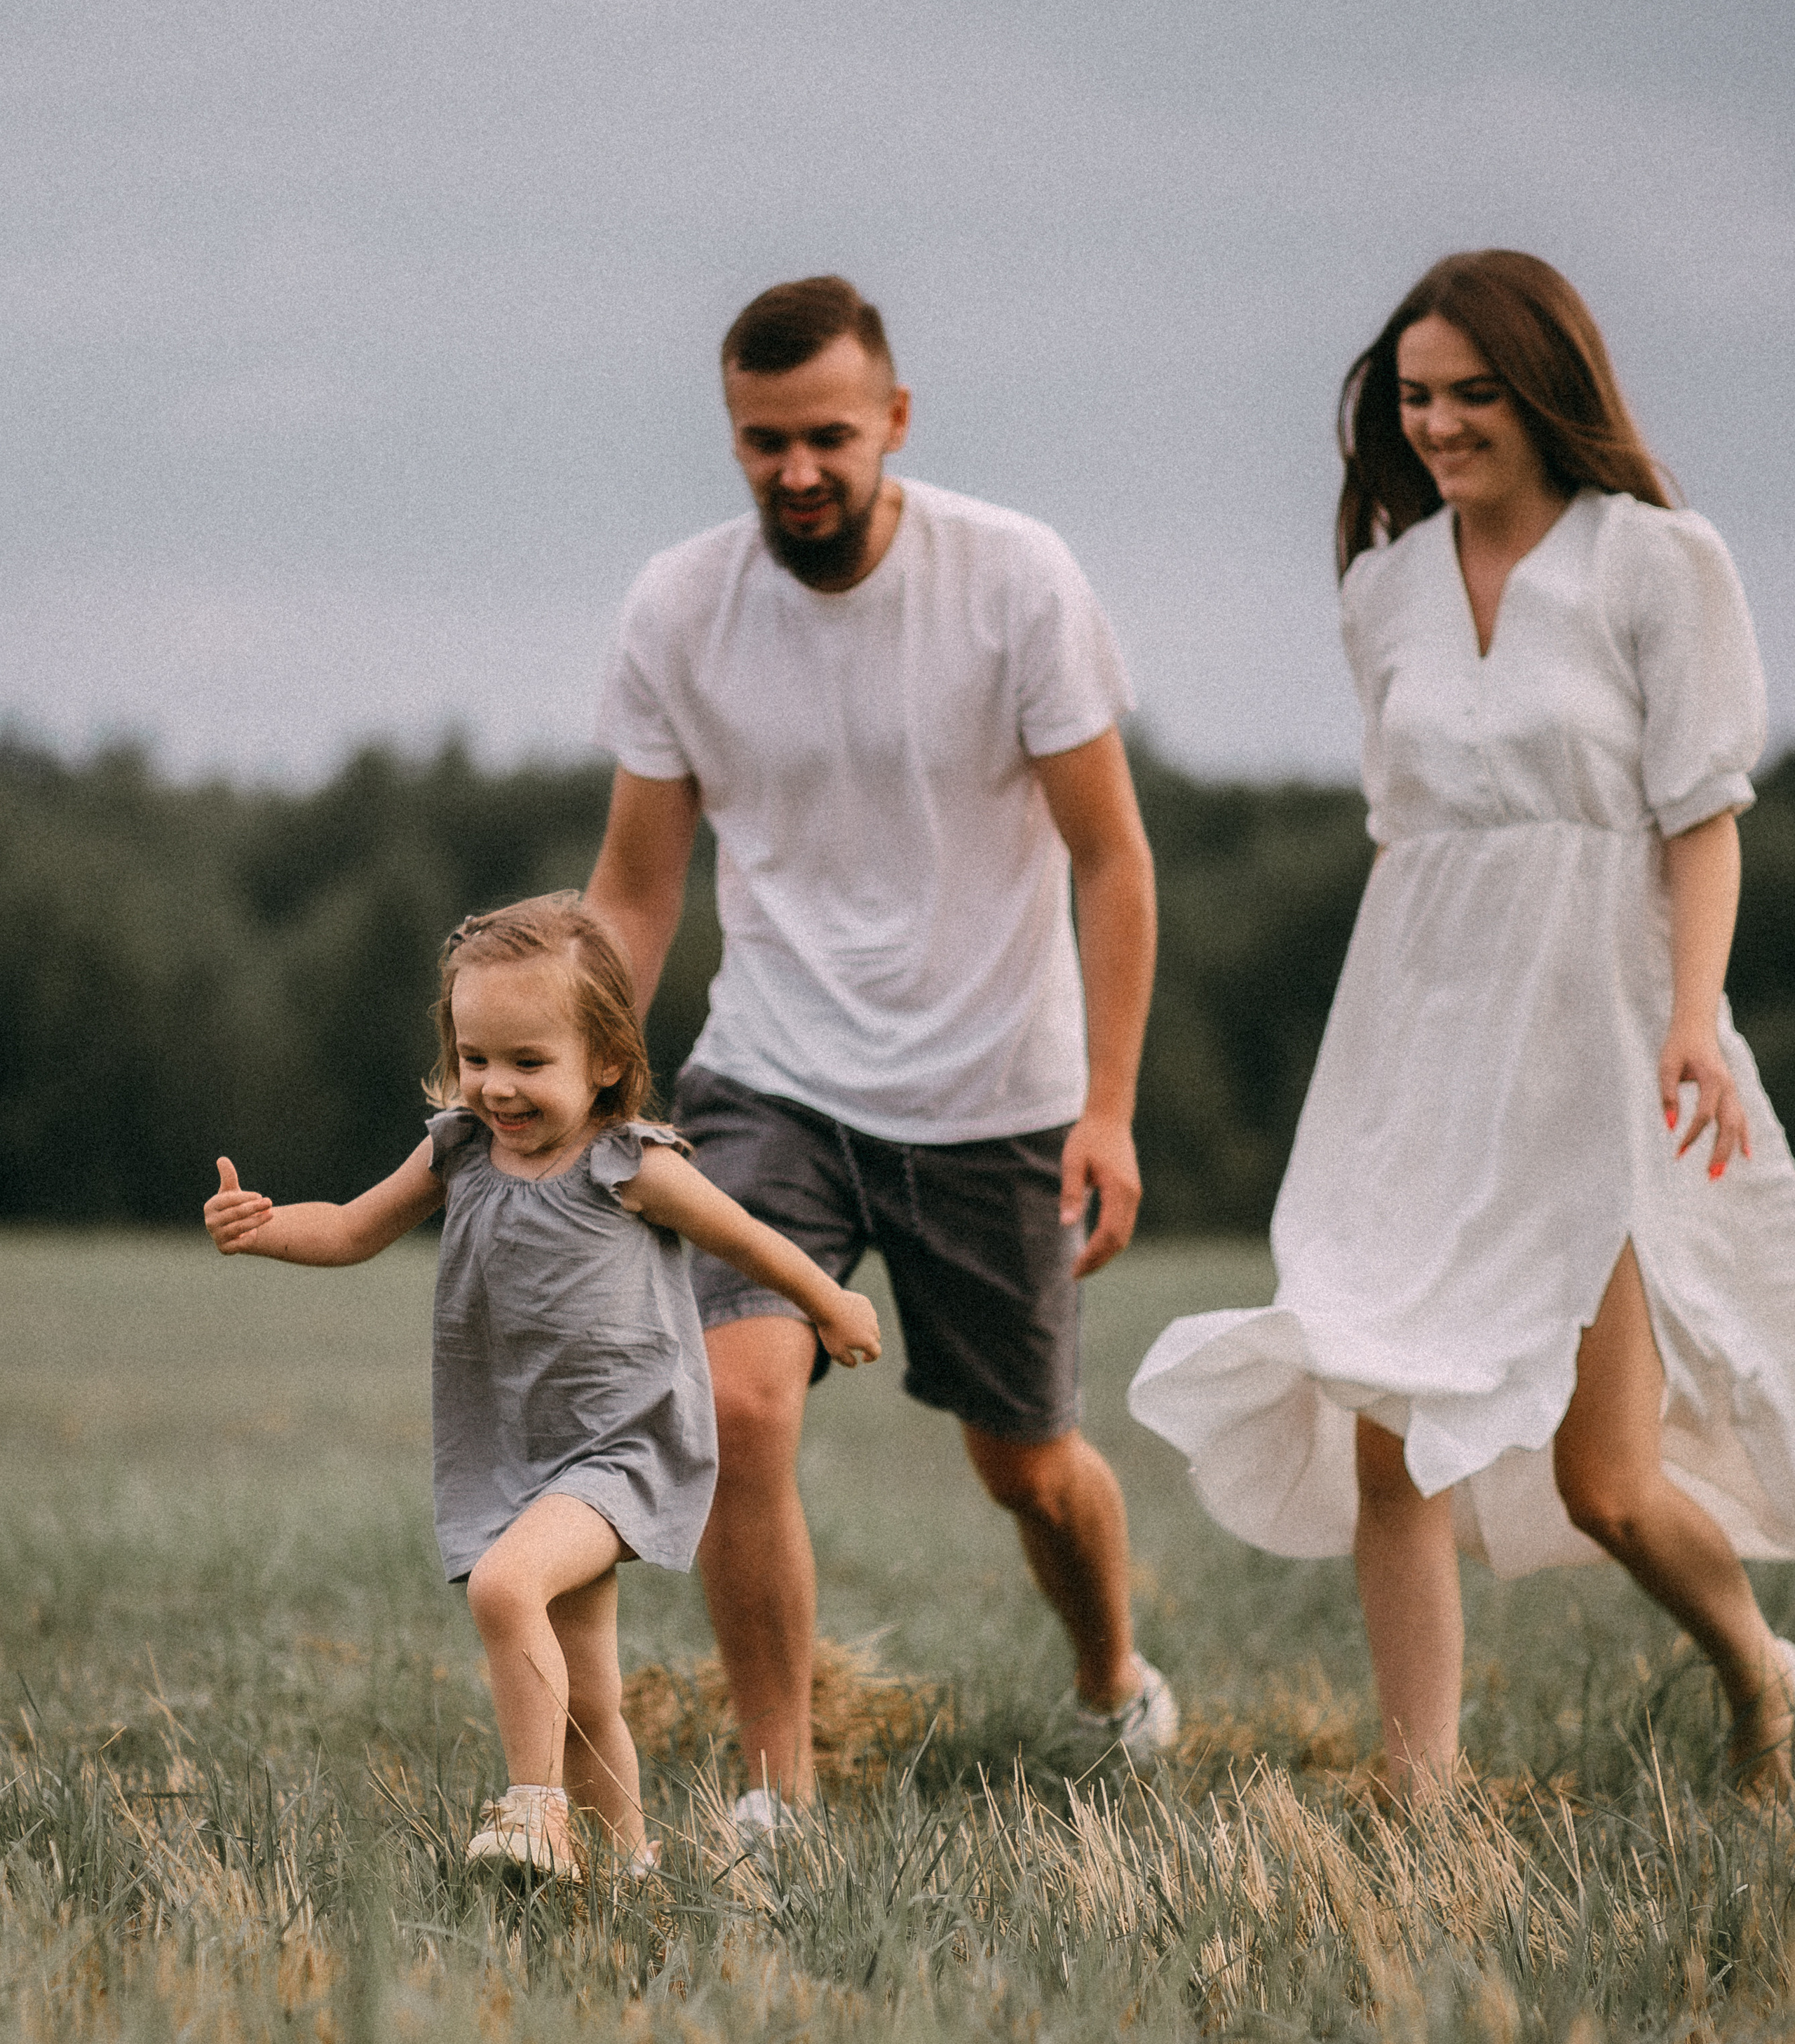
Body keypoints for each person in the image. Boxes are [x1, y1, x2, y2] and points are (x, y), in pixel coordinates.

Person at [1131, 248, 1795, 1801]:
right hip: (1418, 1044)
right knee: (1380, 1405)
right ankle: (1416, 1784)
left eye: (1470, 395)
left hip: (1601, 1038)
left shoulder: (1654, 562)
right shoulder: (1384, 590)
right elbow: (1406, 836)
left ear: (1544, 389)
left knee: (1609, 1483)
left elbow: (1700, 820)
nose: (1435, 426)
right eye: (1414, 398)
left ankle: (1760, 1678)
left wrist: (1691, 1022)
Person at [585, 272, 1174, 1834]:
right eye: (762, 442)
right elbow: (639, 886)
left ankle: (1111, 1676)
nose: (796, 472)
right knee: (739, 1399)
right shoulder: (677, 608)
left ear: (893, 421)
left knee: (1027, 1466)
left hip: (998, 1097)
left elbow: (1110, 860)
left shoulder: (1016, 579)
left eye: (828, 438)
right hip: (772, 1079)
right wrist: (582, 1076)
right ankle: (778, 1789)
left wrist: (1107, 1108)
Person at [203, 894, 880, 1876]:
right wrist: (265, 1229)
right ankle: (636, 1878)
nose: (498, 1088)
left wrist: (830, 1302)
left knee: (506, 1585)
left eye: (529, 1062)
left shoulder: (629, 1165)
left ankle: (535, 1816)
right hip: (518, 1449)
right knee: (591, 1694)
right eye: (477, 1059)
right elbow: (353, 1229)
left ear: (605, 1060)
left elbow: (748, 1237)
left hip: (624, 1443)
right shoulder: (458, 1151)